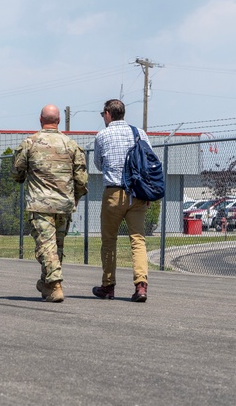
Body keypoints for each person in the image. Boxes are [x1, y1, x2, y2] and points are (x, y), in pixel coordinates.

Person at [13, 105, 87, 302]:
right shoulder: (71, 145)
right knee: (57, 247)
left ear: (40, 119)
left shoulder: (30, 143)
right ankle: (46, 283)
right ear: (59, 121)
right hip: (64, 204)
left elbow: (17, 172)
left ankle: (55, 285)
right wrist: (75, 198)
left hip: (40, 204)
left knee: (46, 246)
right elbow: (81, 179)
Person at [92, 98, 150, 302]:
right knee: (138, 240)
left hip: (114, 193)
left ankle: (108, 286)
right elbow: (149, 161)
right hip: (137, 193)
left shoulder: (102, 136)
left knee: (109, 241)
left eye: (103, 114)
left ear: (108, 113)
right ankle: (141, 286)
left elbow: (99, 164)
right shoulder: (139, 133)